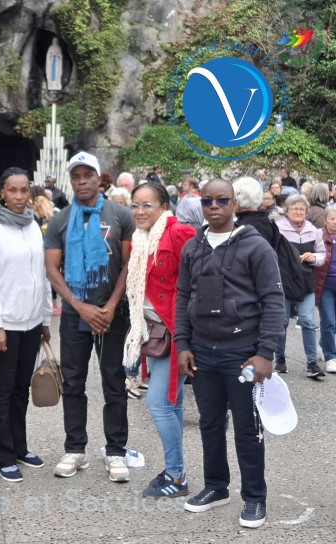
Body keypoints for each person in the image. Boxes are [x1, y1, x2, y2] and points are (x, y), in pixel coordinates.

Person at [175, 179, 285, 529]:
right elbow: (181, 296)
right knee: (209, 425)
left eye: (222, 199)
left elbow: (273, 301)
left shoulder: (256, 247)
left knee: (247, 429)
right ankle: (216, 487)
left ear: (234, 204)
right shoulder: (193, 247)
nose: (214, 206)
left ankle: (254, 498)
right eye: (207, 200)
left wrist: (266, 353)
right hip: (202, 353)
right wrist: (183, 344)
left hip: (243, 354)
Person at [44, 151, 135, 483]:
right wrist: (79, 305)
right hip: (74, 313)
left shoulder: (120, 215)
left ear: (99, 178)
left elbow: (128, 264)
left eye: (88, 175)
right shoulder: (61, 219)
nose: (82, 182)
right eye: (76, 177)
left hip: (113, 313)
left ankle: (115, 451)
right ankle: (75, 448)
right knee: (73, 382)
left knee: (114, 382)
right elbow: (52, 268)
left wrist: (111, 305)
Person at [0, 167, 52, 483]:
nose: (20, 197)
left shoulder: (33, 225)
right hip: (3, 324)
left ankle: (19, 447)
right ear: (2, 194)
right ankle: (2, 456)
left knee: (22, 387)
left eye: (25, 190)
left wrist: (45, 319)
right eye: (13, 191)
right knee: (4, 389)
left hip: (31, 321)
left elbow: (42, 276)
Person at [124, 182, 196, 498]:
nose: (140, 212)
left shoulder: (179, 232)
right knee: (173, 404)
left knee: (158, 403)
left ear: (163, 205)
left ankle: (177, 476)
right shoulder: (140, 240)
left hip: (175, 330)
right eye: (135, 205)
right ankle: (174, 469)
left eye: (147, 205)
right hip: (153, 331)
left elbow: (200, 274)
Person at [274, 195, 326, 378]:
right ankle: (279, 359)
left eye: (302, 209)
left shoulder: (314, 230)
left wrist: (314, 257)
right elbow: (270, 253)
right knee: (282, 322)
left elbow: (322, 255)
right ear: (287, 211)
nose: (298, 212)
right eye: (294, 209)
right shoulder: (278, 229)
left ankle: (312, 363)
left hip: (306, 280)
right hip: (284, 280)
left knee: (308, 321)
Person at [315, 204, 336, 374]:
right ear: (325, 220)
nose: (335, 222)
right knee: (328, 321)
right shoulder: (319, 235)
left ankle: (324, 344)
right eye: (332, 219)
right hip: (326, 286)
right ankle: (331, 357)